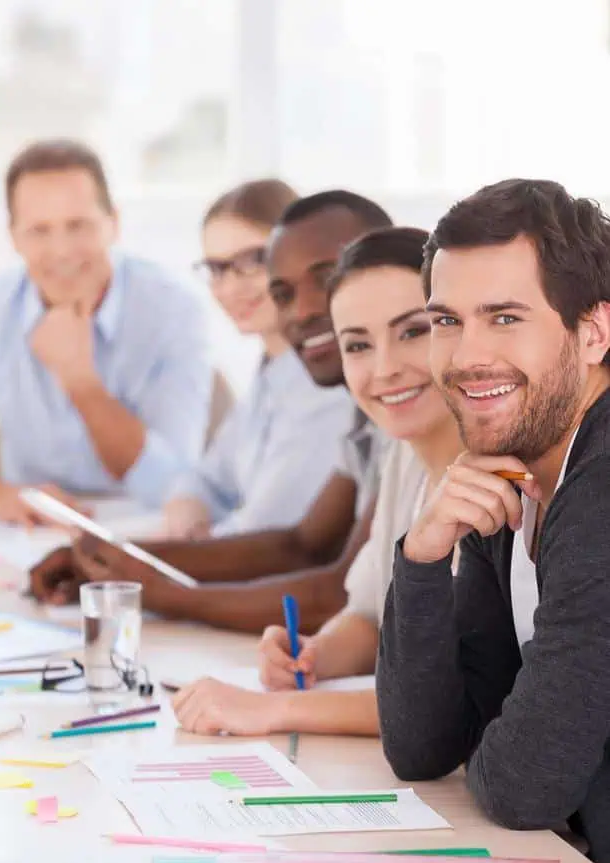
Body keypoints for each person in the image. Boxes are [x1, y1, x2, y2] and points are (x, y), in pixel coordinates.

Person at [376, 179, 610, 863]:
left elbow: (521, 787)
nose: (466, 356)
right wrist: (422, 554)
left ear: (594, 332)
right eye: (446, 321)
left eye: (504, 317)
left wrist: (505, 744)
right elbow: (422, 746)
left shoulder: (600, 488)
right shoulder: (508, 472)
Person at [29, 190, 393, 634]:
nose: (303, 309)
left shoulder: (378, 401)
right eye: (283, 291)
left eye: (326, 277)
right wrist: (123, 559)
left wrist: (157, 587)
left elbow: (336, 590)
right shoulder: (346, 403)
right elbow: (300, 545)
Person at [171, 227, 463, 736]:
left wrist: (272, 710)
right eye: (358, 345)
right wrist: (314, 656)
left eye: (413, 332)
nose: (385, 369)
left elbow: (463, 701)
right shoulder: (403, 456)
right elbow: (370, 614)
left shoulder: (502, 483)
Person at [0, 139, 212, 524]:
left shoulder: (174, 311)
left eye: (78, 225)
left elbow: (172, 484)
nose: (62, 251)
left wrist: (81, 383)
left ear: (114, 223)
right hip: (28, 530)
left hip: (144, 525)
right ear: (13, 237)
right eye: (39, 230)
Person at [165, 179, 353, 539]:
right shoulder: (272, 371)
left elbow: (265, 530)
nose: (231, 287)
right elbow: (205, 478)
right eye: (217, 269)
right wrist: (188, 510)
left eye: (253, 261)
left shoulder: (326, 385)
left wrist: (196, 546)